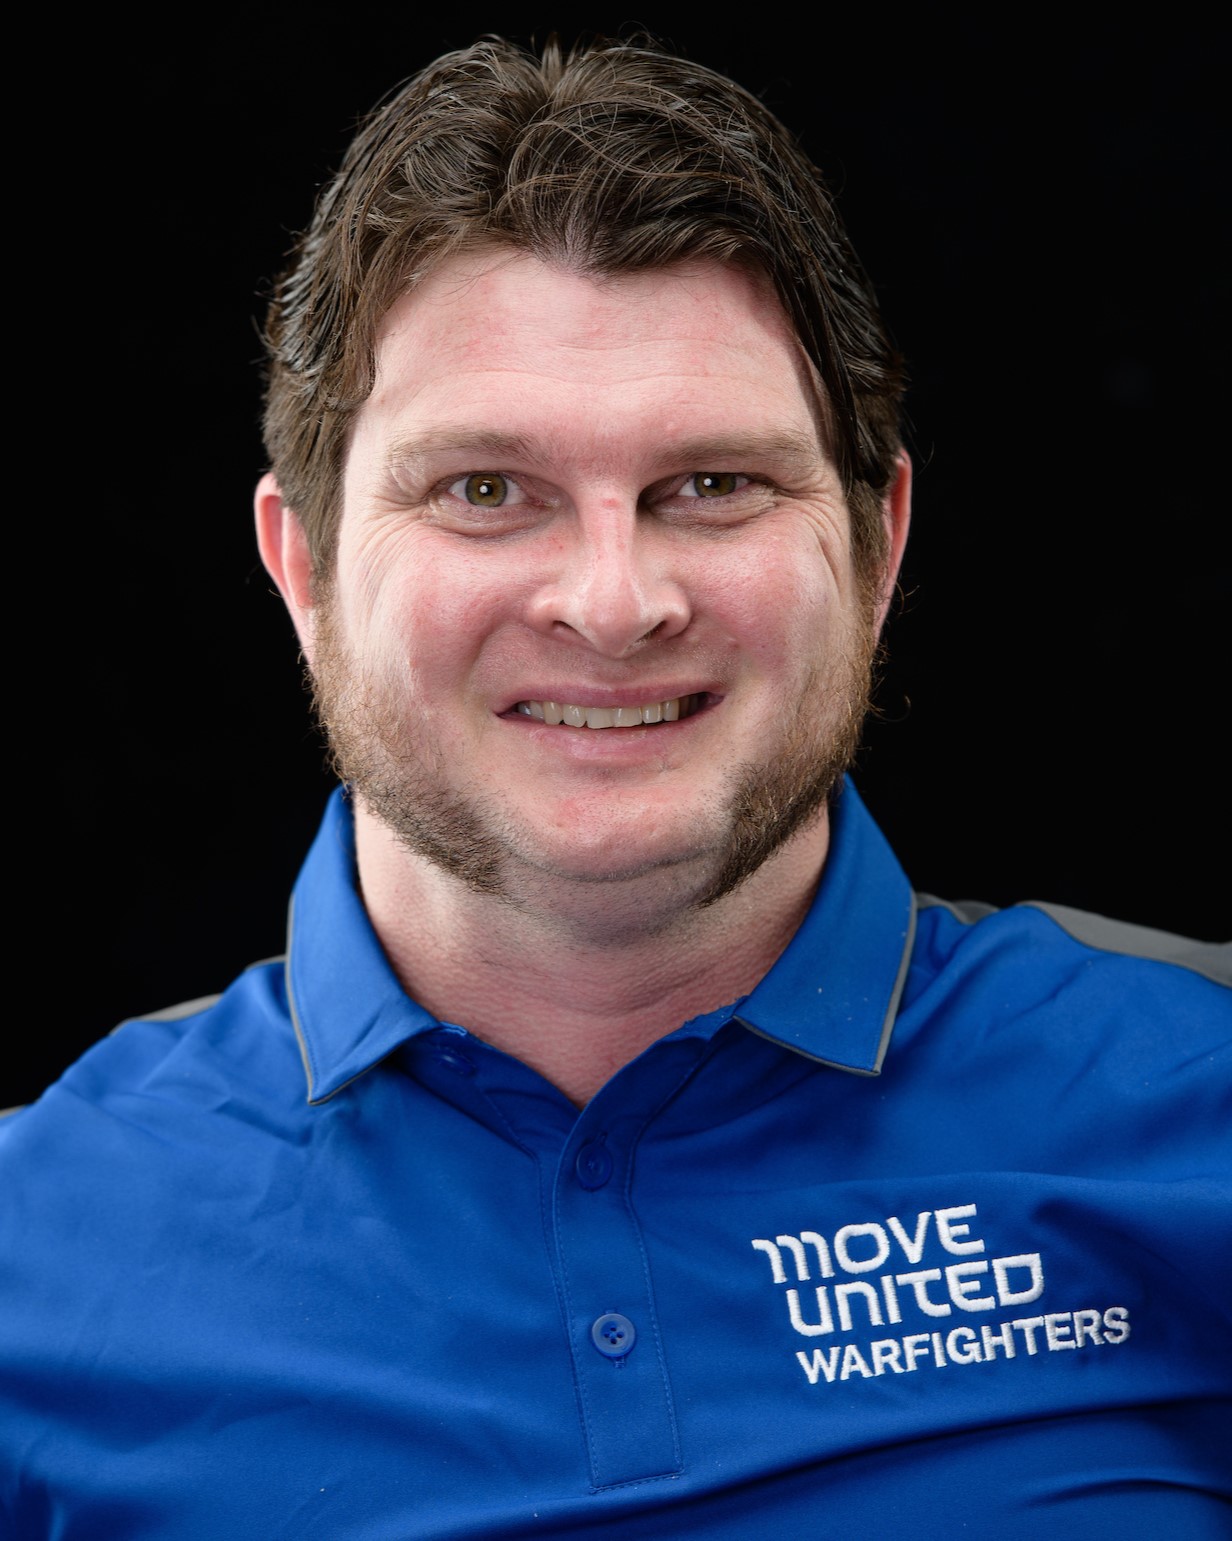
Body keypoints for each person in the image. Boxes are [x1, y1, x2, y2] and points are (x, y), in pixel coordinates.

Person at [3, 33, 1228, 1539]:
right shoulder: (35, 1247)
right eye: (485, 491)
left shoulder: (1200, 1092)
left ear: (880, 543)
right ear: (303, 568)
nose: (611, 597)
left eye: (710, 484)